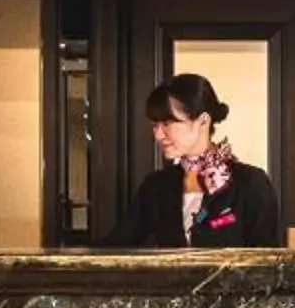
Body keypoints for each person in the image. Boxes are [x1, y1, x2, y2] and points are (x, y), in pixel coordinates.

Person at [109, 73, 283, 249]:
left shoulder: (250, 183)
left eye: (168, 123)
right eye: (155, 125)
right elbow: (115, 248)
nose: (158, 135)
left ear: (203, 121)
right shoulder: (156, 187)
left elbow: (267, 263)